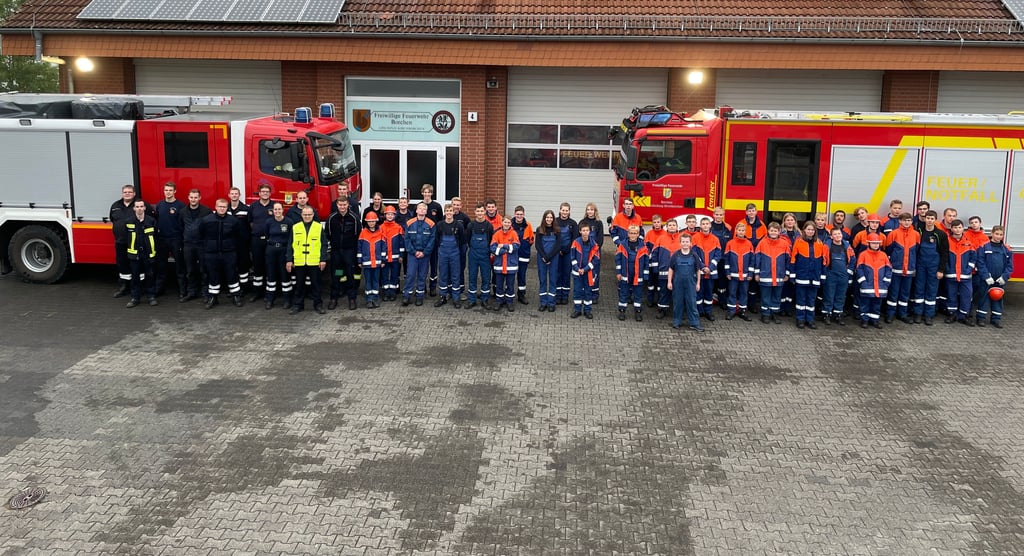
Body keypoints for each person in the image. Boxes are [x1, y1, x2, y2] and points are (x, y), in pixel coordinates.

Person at [197, 198, 245, 309]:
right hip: (211, 253)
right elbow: (201, 235)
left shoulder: (233, 221)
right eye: (220, 207)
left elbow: (239, 236)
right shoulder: (206, 220)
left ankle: (236, 296)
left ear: (226, 208)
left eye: (224, 207)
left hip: (229, 253)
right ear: (215, 207)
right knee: (213, 276)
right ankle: (213, 297)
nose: (222, 209)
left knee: (232, 275)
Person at [286, 206, 327, 315]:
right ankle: (298, 305)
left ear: (313, 215)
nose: (307, 216)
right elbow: (290, 245)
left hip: (314, 261)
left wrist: (323, 259)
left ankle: (318, 304)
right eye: (305, 214)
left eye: (309, 214)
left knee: (316, 285)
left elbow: (324, 245)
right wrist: (289, 260)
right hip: (299, 261)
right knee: (299, 285)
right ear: (301, 215)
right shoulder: (295, 227)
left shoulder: (318, 227)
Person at [912, 210, 948, 325]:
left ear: (935, 220)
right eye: (928, 218)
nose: (929, 221)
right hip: (920, 265)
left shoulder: (940, 234)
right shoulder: (919, 232)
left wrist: (941, 270)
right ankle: (918, 313)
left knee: (932, 290)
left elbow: (944, 253)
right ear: (925, 219)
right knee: (919, 289)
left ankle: (929, 315)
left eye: (932, 219)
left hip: (934, 266)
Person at [325, 197, 361, 310]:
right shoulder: (331, 218)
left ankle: (352, 299)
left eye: (344, 204)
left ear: (348, 205)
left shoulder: (354, 218)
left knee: (350, 275)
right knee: (337, 274)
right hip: (336, 252)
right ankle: (333, 298)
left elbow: (358, 235)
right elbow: (328, 234)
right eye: (340, 205)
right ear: (337, 205)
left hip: (349, 251)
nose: (342, 207)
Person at [883, 213, 920, 324]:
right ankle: (890, 314)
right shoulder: (893, 234)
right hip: (895, 269)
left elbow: (916, 250)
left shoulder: (916, 234)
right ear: (900, 221)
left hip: (909, 269)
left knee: (905, 293)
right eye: (904, 220)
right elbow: (888, 250)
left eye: (909, 220)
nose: (907, 222)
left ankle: (902, 314)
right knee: (893, 293)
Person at [790, 221, 827, 329]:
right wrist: (792, 275)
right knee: (801, 299)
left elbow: (823, 261)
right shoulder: (798, 242)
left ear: (815, 231)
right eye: (808, 229)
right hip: (802, 276)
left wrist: (822, 276)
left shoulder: (819, 243)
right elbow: (793, 259)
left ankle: (810, 319)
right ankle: (800, 319)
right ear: (804, 230)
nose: (810, 231)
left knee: (811, 299)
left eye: (812, 230)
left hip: (815, 277)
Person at [122, 199, 159, 308]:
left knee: (150, 275)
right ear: (134, 209)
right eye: (137, 207)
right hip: (135, 255)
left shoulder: (151, 221)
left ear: (144, 208)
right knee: (135, 277)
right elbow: (125, 238)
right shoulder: (129, 222)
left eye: (141, 206)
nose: (139, 208)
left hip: (148, 254)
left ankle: (151, 296)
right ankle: (135, 298)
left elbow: (156, 237)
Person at [178, 188, 212, 303]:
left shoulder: (206, 211)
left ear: (200, 198)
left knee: (204, 270)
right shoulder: (183, 212)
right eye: (191, 197)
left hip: (201, 244)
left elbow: (209, 228)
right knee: (190, 270)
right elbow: (180, 227)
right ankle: (191, 292)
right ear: (188, 198)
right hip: (188, 244)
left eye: (195, 197)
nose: (193, 199)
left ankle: (205, 292)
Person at [110, 184, 143, 298]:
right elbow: (112, 219)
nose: (127, 194)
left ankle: (139, 287)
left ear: (134, 194)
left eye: (129, 192)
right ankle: (124, 287)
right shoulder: (115, 206)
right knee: (122, 264)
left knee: (137, 264)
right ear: (122, 193)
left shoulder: (139, 205)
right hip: (120, 241)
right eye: (125, 192)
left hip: (135, 242)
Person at [154, 181, 185, 298]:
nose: (168, 192)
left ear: (175, 191)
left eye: (170, 190)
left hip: (176, 239)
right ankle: (159, 289)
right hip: (162, 239)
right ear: (164, 191)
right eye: (166, 190)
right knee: (161, 266)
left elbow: (183, 223)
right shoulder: (160, 205)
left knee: (180, 266)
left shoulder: (180, 206)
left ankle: (183, 291)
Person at [667, 233, 704, 332]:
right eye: (683, 242)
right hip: (678, 283)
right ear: (680, 243)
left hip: (691, 284)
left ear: (690, 243)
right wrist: (669, 282)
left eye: (687, 242)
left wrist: (698, 283)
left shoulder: (694, 255)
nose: (685, 244)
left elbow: (698, 270)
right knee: (678, 302)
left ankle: (694, 323)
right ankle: (676, 322)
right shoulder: (675, 255)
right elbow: (671, 269)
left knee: (692, 303)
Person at [976, 225, 1012, 328]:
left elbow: (1010, 266)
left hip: (999, 279)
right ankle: (981, 318)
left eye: (1001, 234)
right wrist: (986, 276)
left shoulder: (1006, 249)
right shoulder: (984, 247)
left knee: (998, 298)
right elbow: (980, 262)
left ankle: (996, 319)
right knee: (983, 298)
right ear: (992, 234)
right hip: (987, 279)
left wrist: (1004, 277)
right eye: (996, 234)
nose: (998, 236)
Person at [753, 222, 789, 324]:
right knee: (765, 296)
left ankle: (775, 313)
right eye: (771, 230)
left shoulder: (784, 244)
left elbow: (788, 260)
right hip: (765, 275)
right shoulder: (762, 243)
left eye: (775, 231)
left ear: (779, 232)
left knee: (777, 296)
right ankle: (765, 314)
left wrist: (787, 273)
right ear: (768, 231)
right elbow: (757, 259)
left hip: (779, 275)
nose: (773, 232)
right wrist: (757, 273)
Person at [855, 234, 892, 328]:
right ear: (868, 243)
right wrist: (863, 282)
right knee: (865, 304)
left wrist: (886, 282)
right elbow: (859, 269)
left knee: (876, 304)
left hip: (880, 286)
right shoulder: (863, 254)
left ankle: (875, 320)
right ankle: (864, 320)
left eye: (877, 243)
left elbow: (888, 269)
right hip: (867, 286)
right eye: (873, 243)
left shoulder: (883, 255)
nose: (876, 245)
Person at [944, 219, 977, 326]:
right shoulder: (947, 241)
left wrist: (968, 269)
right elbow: (943, 257)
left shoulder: (968, 242)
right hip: (951, 275)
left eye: (959, 227)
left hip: (966, 276)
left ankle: (963, 316)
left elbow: (973, 258)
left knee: (966, 296)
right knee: (951, 295)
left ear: (963, 228)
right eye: (955, 227)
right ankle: (952, 314)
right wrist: (947, 268)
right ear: (951, 229)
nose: (957, 230)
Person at [403, 202, 436, 306]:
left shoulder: (431, 224)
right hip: (412, 254)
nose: (422, 210)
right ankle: (407, 296)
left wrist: (424, 252)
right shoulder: (409, 223)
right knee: (410, 275)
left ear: (426, 211)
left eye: (424, 209)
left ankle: (419, 296)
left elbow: (432, 240)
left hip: (425, 255)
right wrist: (413, 251)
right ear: (416, 210)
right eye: (420, 208)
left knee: (422, 275)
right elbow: (406, 239)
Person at [615, 224, 649, 322]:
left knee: (638, 294)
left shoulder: (643, 246)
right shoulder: (622, 245)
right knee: (623, 293)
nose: (633, 235)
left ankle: (638, 312)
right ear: (628, 234)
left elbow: (646, 261)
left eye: (635, 233)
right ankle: (622, 311)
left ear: (638, 234)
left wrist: (645, 274)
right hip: (625, 273)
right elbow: (618, 259)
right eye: (631, 233)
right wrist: (618, 272)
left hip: (638, 274)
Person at [434, 204, 466, 308]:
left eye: (450, 211)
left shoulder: (458, 225)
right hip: (443, 253)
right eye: (447, 211)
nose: (448, 213)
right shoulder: (440, 225)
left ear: (453, 212)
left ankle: (456, 298)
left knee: (455, 275)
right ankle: (443, 296)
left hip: (454, 253)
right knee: (443, 274)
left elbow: (462, 240)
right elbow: (437, 239)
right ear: (444, 212)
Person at [262, 202, 293, 310]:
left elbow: (291, 238)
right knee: (271, 275)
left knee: (285, 275)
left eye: (279, 209)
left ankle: (287, 299)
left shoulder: (289, 222)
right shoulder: (268, 222)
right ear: (273, 211)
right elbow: (266, 234)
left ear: (283, 210)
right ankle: (270, 299)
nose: (277, 211)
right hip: (271, 250)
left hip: (284, 250)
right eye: (275, 209)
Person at [248, 181, 275, 302]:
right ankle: (257, 292)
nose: (265, 193)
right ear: (259, 193)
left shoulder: (274, 206)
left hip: (270, 240)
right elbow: (250, 221)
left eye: (267, 192)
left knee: (269, 265)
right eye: (263, 192)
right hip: (257, 240)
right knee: (257, 266)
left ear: (270, 193)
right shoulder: (253, 206)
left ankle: (270, 292)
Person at [822, 227, 854, 326]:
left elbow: (852, 259)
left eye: (839, 234)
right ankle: (827, 314)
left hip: (843, 275)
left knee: (841, 296)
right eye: (835, 234)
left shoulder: (847, 246)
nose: (837, 236)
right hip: (831, 274)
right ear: (831, 236)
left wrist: (848, 273)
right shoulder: (827, 246)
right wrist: (824, 274)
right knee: (829, 295)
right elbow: (823, 260)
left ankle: (838, 314)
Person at [723, 221, 754, 321]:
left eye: (743, 230)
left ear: (745, 231)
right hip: (733, 274)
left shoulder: (749, 244)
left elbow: (752, 260)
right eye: (739, 230)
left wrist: (750, 273)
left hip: (745, 275)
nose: (741, 232)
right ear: (736, 231)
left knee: (744, 293)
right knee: (732, 292)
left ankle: (742, 311)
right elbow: (726, 258)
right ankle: (731, 311)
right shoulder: (730, 243)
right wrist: (727, 272)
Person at [465, 203, 495, 309]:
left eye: (482, 211)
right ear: (475, 212)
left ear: (485, 212)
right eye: (478, 211)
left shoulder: (488, 226)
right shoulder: (470, 225)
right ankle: (472, 300)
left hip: (485, 255)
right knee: (472, 277)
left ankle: (484, 299)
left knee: (486, 278)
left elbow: (492, 240)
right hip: (473, 254)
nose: (480, 213)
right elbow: (467, 239)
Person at [692, 217, 722, 321]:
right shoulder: (695, 237)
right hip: (699, 271)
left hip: (711, 272)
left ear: (710, 225)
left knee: (709, 292)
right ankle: (699, 311)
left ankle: (708, 311)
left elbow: (718, 255)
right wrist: (703, 266)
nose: (705, 225)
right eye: (703, 224)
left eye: (707, 223)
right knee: (699, 291)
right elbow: (694, 253)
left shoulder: (715, 239)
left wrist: (710, 267)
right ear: (700, 226)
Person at [570, 222, 600, 319]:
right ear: (580, 231)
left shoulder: (594, 244)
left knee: (588, 291)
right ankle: (577, 310)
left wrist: (585, 269)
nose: (585, 232)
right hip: (577, 272)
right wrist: (577, 269)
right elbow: (572, 257)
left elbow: (596, 259)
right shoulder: (575, 242)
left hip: (589, 273)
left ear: (590, 232)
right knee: (577, 291)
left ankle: (587, 310)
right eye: (583, 230)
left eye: (587, 230)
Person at [491, 215, 521, 312]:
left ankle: (509, 301)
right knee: (499, 284)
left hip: (510, 265)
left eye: (508, 222)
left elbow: (516, 246)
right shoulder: (497, 234)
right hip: (499, 264)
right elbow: (492, 247)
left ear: (510, 223)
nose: (506, 224)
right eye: (505, 222)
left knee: (510, 284)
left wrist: (503, 246)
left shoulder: (514, 233)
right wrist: (504, 250)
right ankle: (499, 301)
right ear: (502, 222)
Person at [357, 211, 386, 308]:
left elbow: (383, 248)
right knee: (368, 281)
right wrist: (359, 261)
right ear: (366, 222)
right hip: (367, 263)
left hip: (377, 262)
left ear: (376, 221)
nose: (371, 223)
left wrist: (383, 260)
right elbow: (359, 248)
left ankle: (375, 298)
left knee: (376, 280)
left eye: (373, 221)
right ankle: (369, 299)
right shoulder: (363, 233)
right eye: (369, 221)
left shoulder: (380, 232)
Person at [227, 187, 251, 291]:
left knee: (243, 265)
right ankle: (233, 288)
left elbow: (250, 225)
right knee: (231, 265)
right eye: (232, 194)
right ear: (229, 195)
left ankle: (243, 288)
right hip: (229, 243)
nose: (234, 195)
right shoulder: (225, 209)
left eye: (236, 194)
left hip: (242, 243)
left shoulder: (246, 209)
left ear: (239, 195)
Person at [535, 210, 559, 312]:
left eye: (551, 218)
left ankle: (551, 303)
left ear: (553, 219)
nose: (549, 219)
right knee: (542, 279)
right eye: (547, 217)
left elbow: (558, 246)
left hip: (553, 258)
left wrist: (549, 257)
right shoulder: (539, 229)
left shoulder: (557, 230)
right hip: (542, 258)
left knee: (553, 280)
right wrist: (544, 257)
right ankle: (543, 302)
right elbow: (538, 245)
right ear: (544, 218)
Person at [421, 184, 443, 296]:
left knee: (433, 264)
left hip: (433, 240)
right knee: (423, 265)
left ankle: (433, 287)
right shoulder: (419, 207)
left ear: (431, 193)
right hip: (422, 241)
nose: (427, 194)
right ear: (422, 193)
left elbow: (440, 223)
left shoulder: (437, 206)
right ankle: (422, 287)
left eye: (429, 192)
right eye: (425, 192)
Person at [555, 203, 579, 305]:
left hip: (568, 253)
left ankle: (565, 295)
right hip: (556, 252)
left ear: (569, 211)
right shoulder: (555, 222)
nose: (564, 212)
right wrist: (557, 249)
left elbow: (575, 239)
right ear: (560, 210)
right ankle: (557, 295)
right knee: (557, 274)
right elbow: (554, 237)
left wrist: (566, 250)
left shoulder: (573, 223)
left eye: (566, 210)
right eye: (563, 210)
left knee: (566, 274)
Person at [380, 206, 405, 301]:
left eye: (392, 214)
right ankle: (386, 293)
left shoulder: (398, 227)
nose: (390, 216)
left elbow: (401, 243)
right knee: (385, 275)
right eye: (388, 214)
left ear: (394, 215)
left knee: (395, 275)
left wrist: (401, 255)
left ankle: (393, 292)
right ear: (385, 215)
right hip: (384, 257)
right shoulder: (381, 228)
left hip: (395, 257)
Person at [510, 206, 535, 304]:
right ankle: (509, 294)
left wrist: (525, 246)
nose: (519, 216)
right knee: (510, 275)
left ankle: (521, 295)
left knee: (522, 275)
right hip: (512, 254)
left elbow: (531, 239)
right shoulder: (510, 224)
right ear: (515, 214)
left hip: (524, 254)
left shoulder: (528, 225)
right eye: (517, 214)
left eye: (521, 214)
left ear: (524, 214)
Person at [645, 214, 668, 308]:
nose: (657, 224)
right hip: (651, 263)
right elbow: (645, 247)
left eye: (658, 222)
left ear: (661, 222)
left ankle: (659, 300)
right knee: (651, 283)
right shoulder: (649, 233)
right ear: (652, 223)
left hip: (661, 264)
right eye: (655, 222)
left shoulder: (665, 234)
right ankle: (650, 300)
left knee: (660, 284)